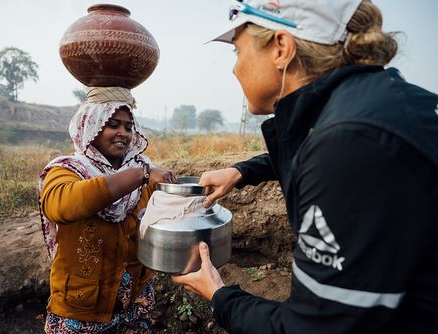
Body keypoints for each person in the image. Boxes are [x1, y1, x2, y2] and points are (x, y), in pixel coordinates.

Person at [173, 0, 438, 333]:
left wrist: (219, 294)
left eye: (237, 52)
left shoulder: (349, 143)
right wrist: (242, 171)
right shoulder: (376, 107)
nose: (235, 69)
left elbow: (314, 327)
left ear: (282, 48)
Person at [38, 87, 176, 333]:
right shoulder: (68, 170)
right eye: (113, 125)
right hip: (82, 308)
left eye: (128, 126)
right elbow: (60, 206)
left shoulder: (143, 170)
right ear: (91, 127)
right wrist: (138, 176)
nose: (122, 133)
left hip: (135, 302)